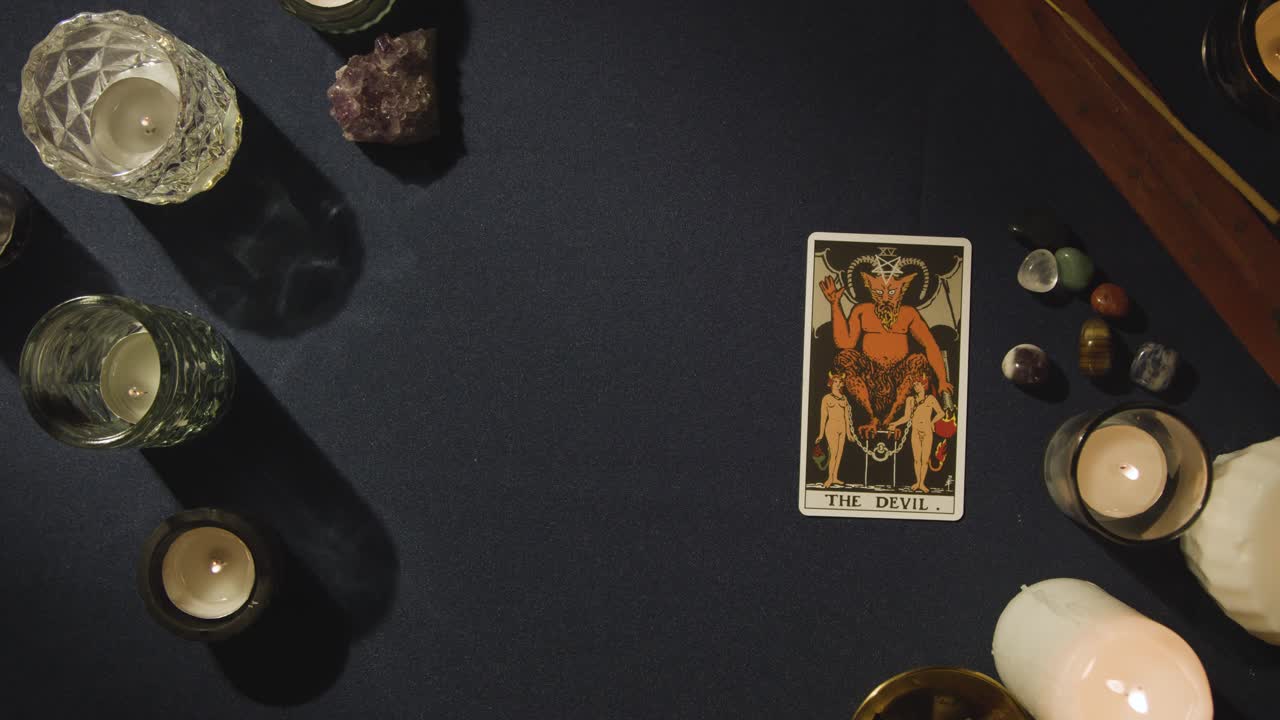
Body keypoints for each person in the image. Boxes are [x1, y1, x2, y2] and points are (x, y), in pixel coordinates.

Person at [887, 375, 944, 493]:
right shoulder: (910, 400)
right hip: (915, 431)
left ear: (924, 385)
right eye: (914, 385)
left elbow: (941, 413)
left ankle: (922, 483)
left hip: (927, 431)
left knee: (924, 459)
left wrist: (933, 422)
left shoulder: (930, 399)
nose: (916, 387)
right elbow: (906, 417)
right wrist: (895, 424)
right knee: (917, 459)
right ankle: (917, 482)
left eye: (918, 384)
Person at [815, 371, 853, 488]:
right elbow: (823, 417)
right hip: (831, 427)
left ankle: (835, 477)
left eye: (839, 382)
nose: (837, 384)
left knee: (839, 454)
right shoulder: (826, 398)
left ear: (842, 384)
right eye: (835, 382)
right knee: (833, 453)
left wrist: (849, 433)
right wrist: (821, 434)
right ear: (830, 383)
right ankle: (829, 478)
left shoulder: (844, 399)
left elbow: (847, 417)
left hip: (842, 427)